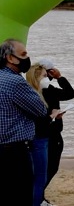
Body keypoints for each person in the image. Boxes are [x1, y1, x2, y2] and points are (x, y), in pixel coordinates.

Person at [0, 39, 48, 205]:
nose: (27, 58)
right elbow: (40, 110)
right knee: (19, 196)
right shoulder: (16, 82)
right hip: (13, 152)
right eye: (23, 54)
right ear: (10, 58)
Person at [26, 63, 64, 206]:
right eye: (44, 76)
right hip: (39, 139)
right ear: (36, 78)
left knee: (40, 175)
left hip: (44, 136)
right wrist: (52, 116)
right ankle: (37, 201)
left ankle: (39, 199)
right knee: (40, 176)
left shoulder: (44, 92)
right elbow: (39, 123)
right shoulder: (33, 96)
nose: (47, 78)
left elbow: (69, 93)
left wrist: (59, 78)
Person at [39, 59, 74, 206]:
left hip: (37, 134)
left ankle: (38, 196)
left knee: (41, 168)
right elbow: (70, 93)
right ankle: (38, 198)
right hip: (51, 133)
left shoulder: (31, 89)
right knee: (50, 167)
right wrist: (60, 78)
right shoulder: (49, 91)